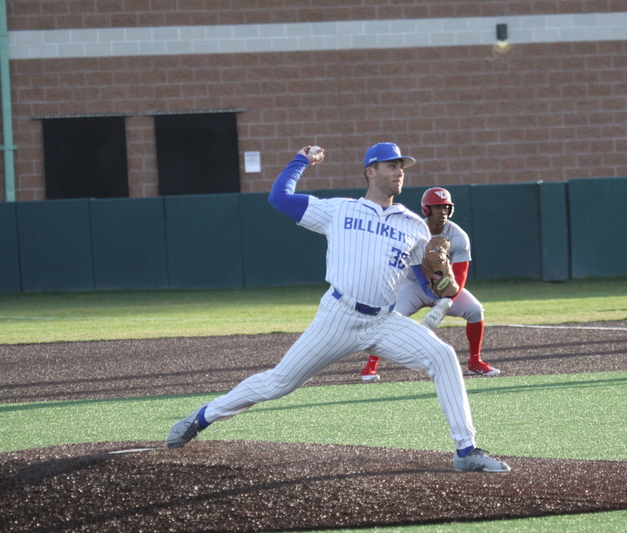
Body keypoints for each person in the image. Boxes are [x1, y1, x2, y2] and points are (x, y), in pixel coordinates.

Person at [166, 142, 510, 473]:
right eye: (392, 165)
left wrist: (440, 285)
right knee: (277, 383)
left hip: (384, 321)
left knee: (443, 357)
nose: (400, 172)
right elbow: (279, 198)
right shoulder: (340, 210)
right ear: (370, 171)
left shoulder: (413, 225)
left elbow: (426, 279)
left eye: (402, 167)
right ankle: (201, 418)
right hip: (339, 317)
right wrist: (300, 161)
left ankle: (466, 450)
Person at [360, 187, 499, 381]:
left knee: (475, 310)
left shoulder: (458, 236)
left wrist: (446, 301)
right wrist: (427, 287)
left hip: (445, 286)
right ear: (426, 210)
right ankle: (370, 366)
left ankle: (475, 361)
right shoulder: (416, 230)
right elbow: (415, 266)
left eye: (445, 208)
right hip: (414, 285)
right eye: (437, 208)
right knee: (390, 317)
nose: (442, 212)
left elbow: (460, 275)